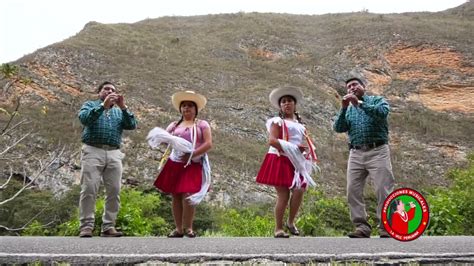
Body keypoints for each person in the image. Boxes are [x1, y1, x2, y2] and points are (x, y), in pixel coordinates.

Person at [333, 77, 395, 238]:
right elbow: (338, 128)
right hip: (356, 153)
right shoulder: (348, 110)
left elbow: (382, 113)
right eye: (348, 87)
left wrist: (359, 103)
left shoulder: (377, 100)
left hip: (378, 150)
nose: (352, 88)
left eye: (355, 85)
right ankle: (362, 227)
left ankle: (386, 227)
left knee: (383, 189)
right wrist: (344, 108)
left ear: (363, 87)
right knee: (352, 190)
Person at [256, 86, 318, 238]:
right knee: (283, 195)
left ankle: (290, 222)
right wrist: (294, 147)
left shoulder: (301, 125)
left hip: (296, 160)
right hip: (280, 158)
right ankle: (278, 228)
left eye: (289, 101)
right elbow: (272, 140)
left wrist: (304, 151)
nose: (286, 104)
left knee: (299, 190)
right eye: (283, 102)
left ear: (294, 104)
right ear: (280, 106)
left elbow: (300, 142)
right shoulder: (276, 121)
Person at [78, 81, 137, 237]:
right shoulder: (90, 105)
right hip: (92, 150)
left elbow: (131, 125)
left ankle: (108, 226)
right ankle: (86, 226)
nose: (110, 92)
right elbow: (84, 119)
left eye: (113, 90)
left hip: (114, 153)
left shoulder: (119, 112)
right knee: (89, 188)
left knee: (114, 190)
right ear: (99, 92)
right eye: (106, 89)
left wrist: (123, 107)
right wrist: (103, 106)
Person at [153, 90, 212, 238]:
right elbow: (165, 139)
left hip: (193, 163)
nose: (187, 108)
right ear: (180, 109)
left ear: (195, 109)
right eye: (184, 105)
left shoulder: (202, 124)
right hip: (175, 162)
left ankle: (189, 228)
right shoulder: (174, 125)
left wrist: (192, 154)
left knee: (189, 194)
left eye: (190, 106)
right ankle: (179, 229)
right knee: (176, 195)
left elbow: (208, 144)